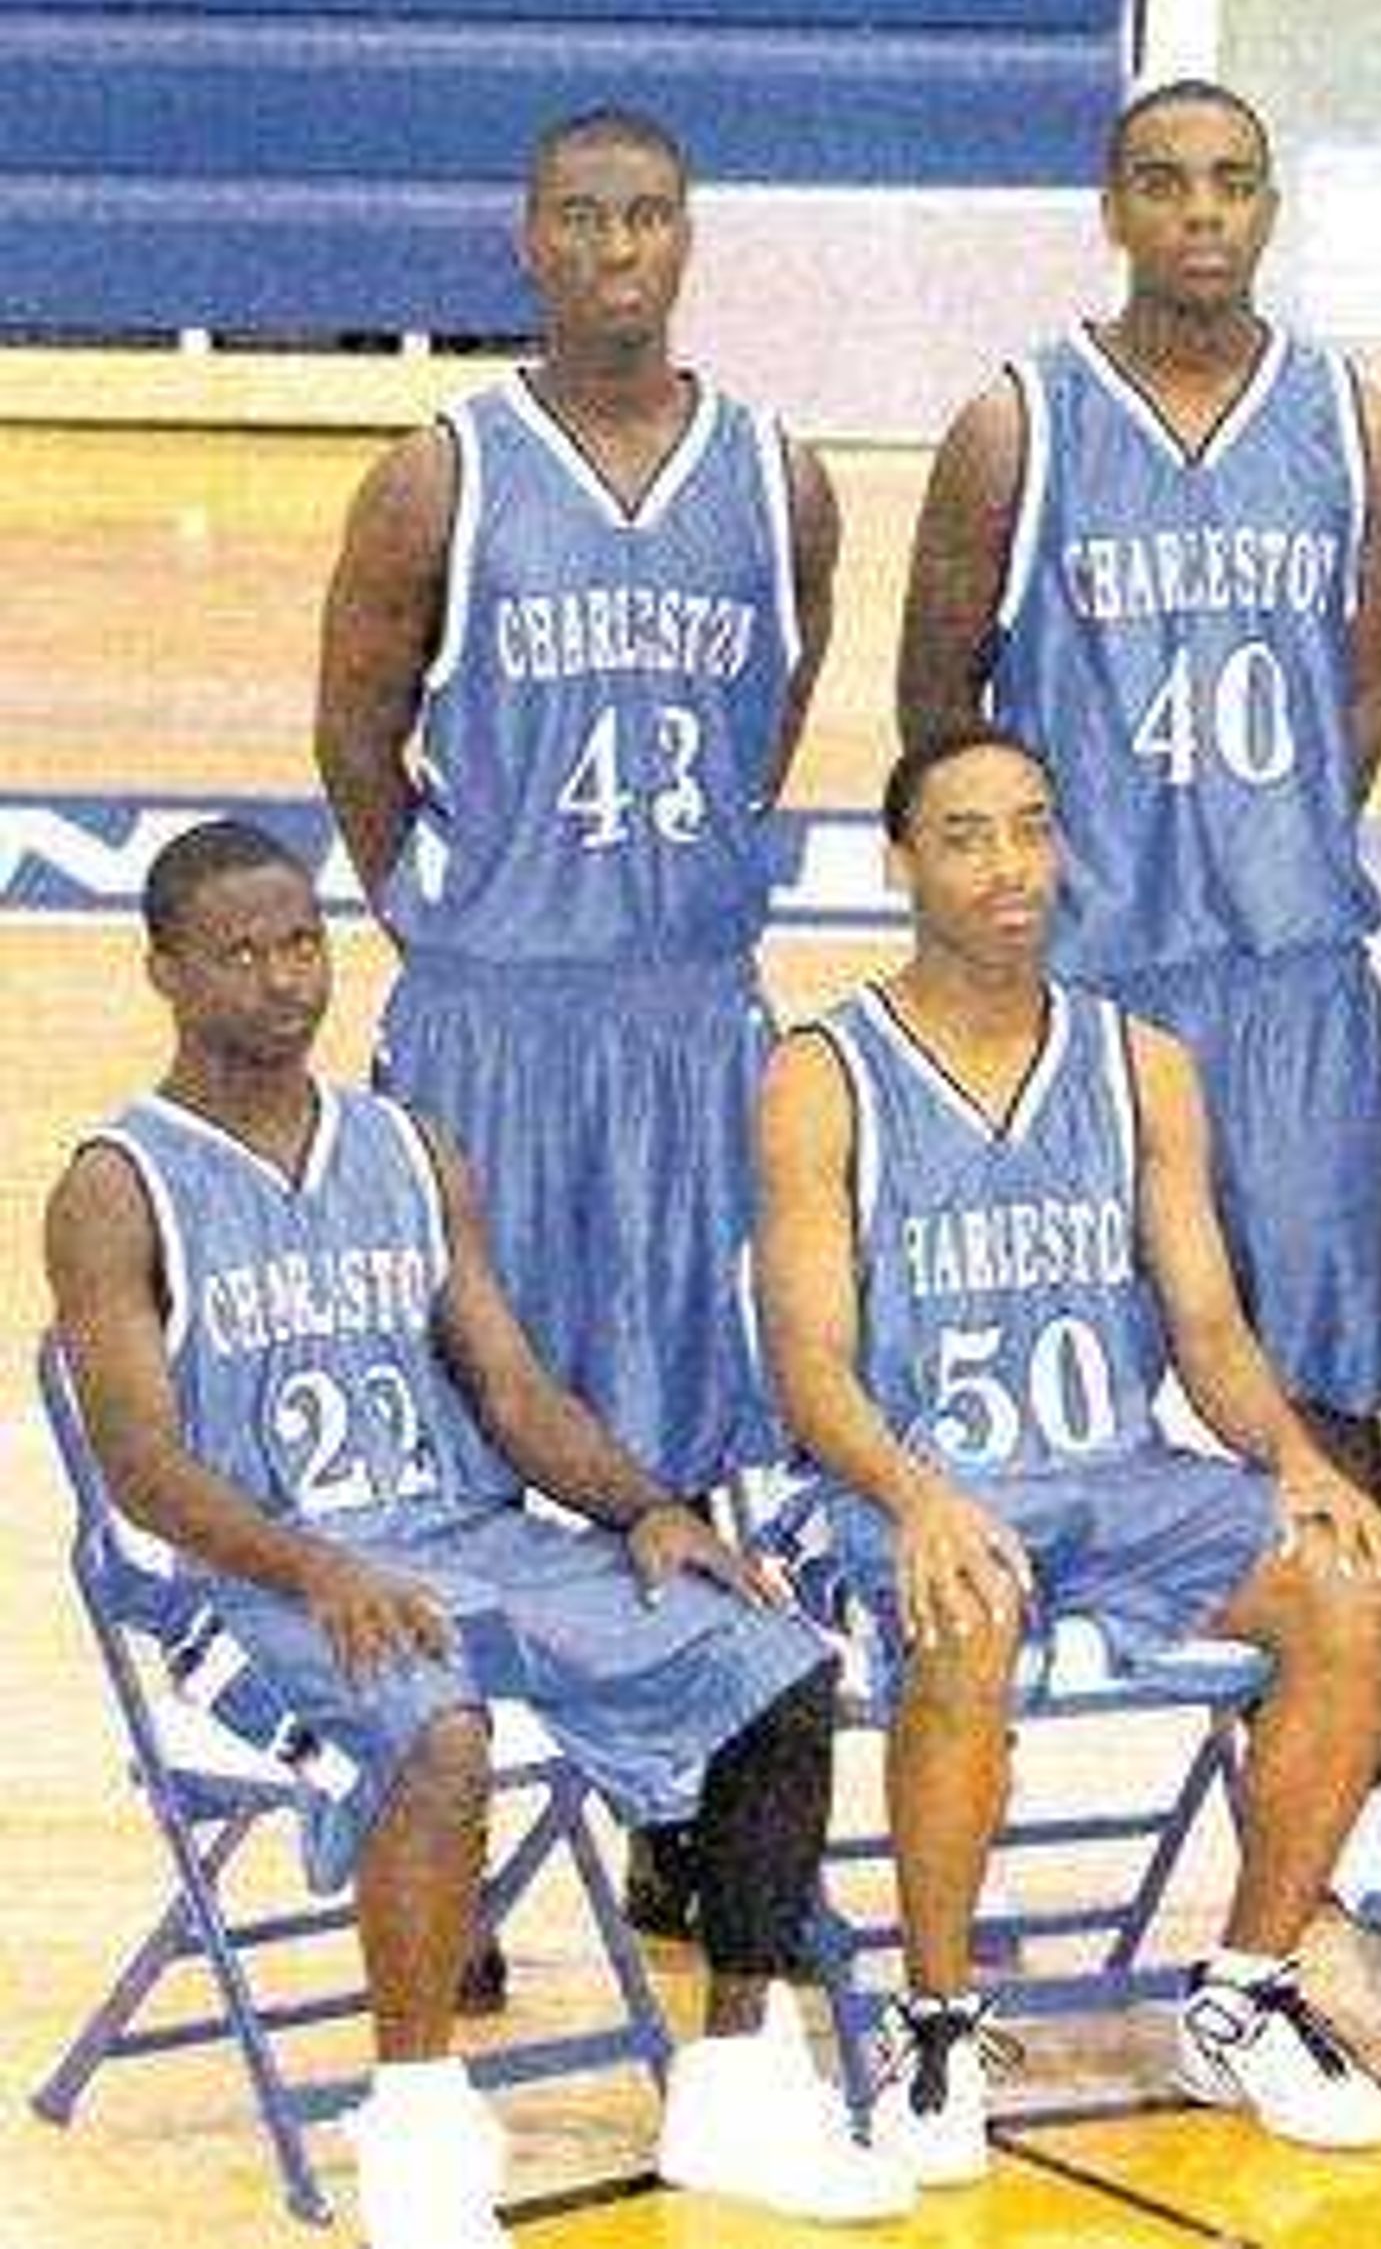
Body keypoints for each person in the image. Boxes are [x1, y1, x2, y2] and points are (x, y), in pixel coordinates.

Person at [40, 822, 903, 2247]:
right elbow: (140, 1464)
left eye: (300, 941)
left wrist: (650, 1507)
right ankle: (419, 2129)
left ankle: (739, 2078)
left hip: (469, 1538)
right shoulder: (116, 1184)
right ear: (166, 972)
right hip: (254, 1580)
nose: (280, 979)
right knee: (439, 1735)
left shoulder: (408, 1145)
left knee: (773, 1657)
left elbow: (508, 1387)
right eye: (238, 953)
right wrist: (315, 1565)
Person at [314, 105, 841, 1956]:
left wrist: (658, 904)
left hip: (687, 1005)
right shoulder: (436, 475)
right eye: (582, 220)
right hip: (493, 1017)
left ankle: (687, 1815)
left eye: (648, 219)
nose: (618, 251)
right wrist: (456, 924)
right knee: (464, 1411)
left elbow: (778, 714)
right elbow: (356, 738)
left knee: (688, 1405)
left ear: (689, 239)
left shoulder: (780, 478)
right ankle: (433, 1839)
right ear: (527, 242)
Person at [750, 725, 1381, 2183]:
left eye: (1034, 829)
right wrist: (920, 1496)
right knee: (968, 1594)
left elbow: (1209, 1332)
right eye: (969, 835)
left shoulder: (1143, 1063)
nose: (1009, 868)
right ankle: (936, 2015)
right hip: (900, 1487)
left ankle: (1244, 1990)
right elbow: (808, 1368)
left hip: (1115, 1477)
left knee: (1350, 1576)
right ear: (903, 863)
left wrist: (1299, 1461)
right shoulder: (821, 1072)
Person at [894, 77, 1381, 1501]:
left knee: (1325, 1376)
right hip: (1090, 980)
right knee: (1038, 1373)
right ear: (1112, 208)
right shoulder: (1017, 426)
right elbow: (938, 713)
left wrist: (1266, 848)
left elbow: (1357, 698)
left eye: (1232, 181)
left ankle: (1331, 1722)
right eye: (1165, 180)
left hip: (1292, 978)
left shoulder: (1360, 428)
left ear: (1270, 206)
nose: (1200, 211)